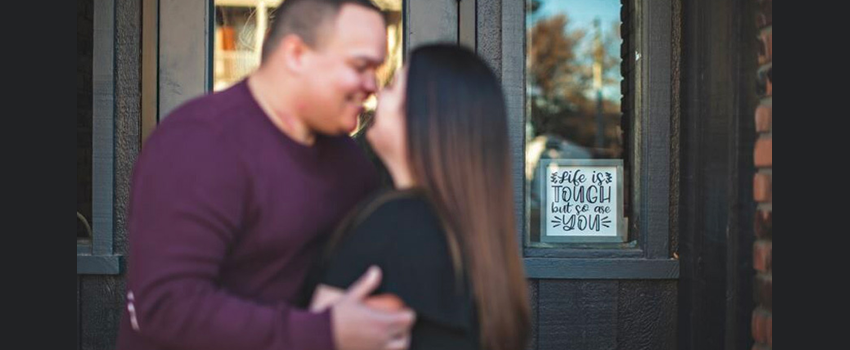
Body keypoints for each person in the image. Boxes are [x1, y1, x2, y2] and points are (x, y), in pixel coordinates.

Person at [116, 1, 415, 349]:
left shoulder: (350, 164)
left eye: (378, 69)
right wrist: (325, 332)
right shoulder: (199, 142)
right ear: (296, 54)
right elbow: (165, 309)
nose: (374, 85)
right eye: (361, 66)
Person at [304, 44, 531, 350]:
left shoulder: (397, 221)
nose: (377, 93)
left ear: (424, 117)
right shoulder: (470, 236)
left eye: (393, 86)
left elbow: (313, 337)